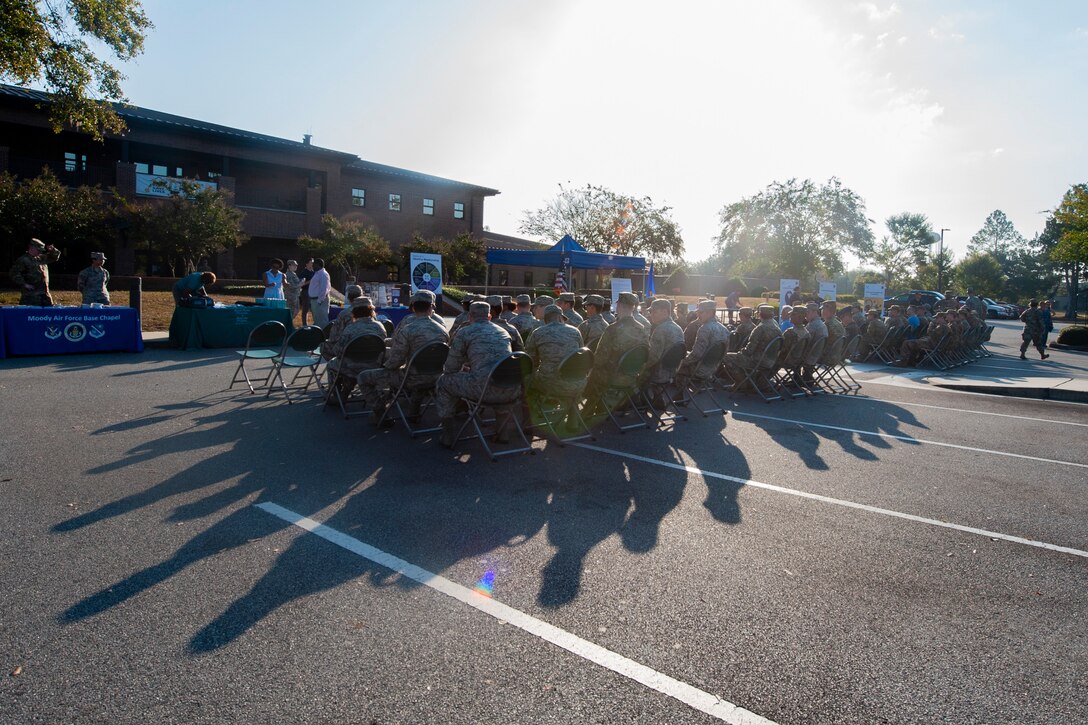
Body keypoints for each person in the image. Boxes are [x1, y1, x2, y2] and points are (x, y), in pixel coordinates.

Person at [358, 289, 450, 425]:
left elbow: (396, 361)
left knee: (363, 377)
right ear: (431, 307)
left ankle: (381, 415)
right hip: (436, 377)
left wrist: (385, 366)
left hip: (411, 379)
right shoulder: (442, 331)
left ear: (413, 307)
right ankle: (413, 412)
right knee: (418, 374)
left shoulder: (407, 329)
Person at [435, 301, 516, 447]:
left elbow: (451, 368)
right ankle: (503, 432)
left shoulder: (465, 332)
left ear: (470, 316)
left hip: (482, 391)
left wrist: (464, 371)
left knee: (444, 382)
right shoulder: (504, 332)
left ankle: (448, 435)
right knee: (498, 378)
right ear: (489, 316)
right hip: (510, 389)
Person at [583, 292, 649, 414]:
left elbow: (600, 359)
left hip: (613, 376)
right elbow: (645, 353)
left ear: (619, 306)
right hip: (632, 376)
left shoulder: (612, 329)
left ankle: (587, 412)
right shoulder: (641, 329)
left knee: (594, 371)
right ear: (633, 307)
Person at [525, 304, 586, 422]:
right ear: (560, 317)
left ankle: (530, 422)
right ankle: (573, 418)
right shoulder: (575, 331)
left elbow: (530, 361)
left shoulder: (538, 332)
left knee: (527, 378)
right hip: (578, 381)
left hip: (551, 383)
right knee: (568, 376)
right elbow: (581, 356)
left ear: (545, 319)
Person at [326, 299, 387, 397]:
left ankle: (334, 395)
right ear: (371, 311)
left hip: (351, 366)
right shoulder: (380, 327)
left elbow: (337, 351)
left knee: (331, 364)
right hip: (374, 365)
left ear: (354, 312)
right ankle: (346, 388)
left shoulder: (350, 329)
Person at [721, 304, 782, 386]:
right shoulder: (777, 329)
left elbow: (749, 351)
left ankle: (743, 383)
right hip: (772, 361)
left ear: (760, 315)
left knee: (726, 357)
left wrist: (740, 353)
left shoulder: (760, 328)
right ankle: (754, 381)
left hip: (758, 361)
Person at [676, 299, 730, 390]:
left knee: (676, 364)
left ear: (710, 313)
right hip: (713, 368)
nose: (698, 315)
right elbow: (724, 352)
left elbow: (696, 355)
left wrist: (682, 362)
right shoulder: (724, 329)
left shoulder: (704, 329)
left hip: (699, 369)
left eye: (701, 312)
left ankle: (679, 396)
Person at [641, 298, 685, 399]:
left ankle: (635, 402)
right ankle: (656, 398)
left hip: (659, 373)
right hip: (673, 371)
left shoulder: (660, 330)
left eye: (654, 311)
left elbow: (653, 357)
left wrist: (640, 368)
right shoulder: (678, 328)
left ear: (665, 312)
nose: (651, 314)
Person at [10, 238, 61, 306]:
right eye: (38, 250)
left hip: (45, 295)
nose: (40, 252)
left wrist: (52, 250)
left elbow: (55, 257)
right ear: (31, 247)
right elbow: (14, 273)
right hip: (31, 296)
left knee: (47, 315)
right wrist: (24, 284)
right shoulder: (23, 260)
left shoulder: (41, 258)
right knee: (30, 315)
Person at [321, 285, 365, 360]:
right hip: (365, 349)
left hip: (348, 349)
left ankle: (337, 366)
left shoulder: (345, 314)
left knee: (324, 346)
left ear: (348, 297)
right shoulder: (371, 313)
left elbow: (334, 336)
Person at [801, 302, 828, 383]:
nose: (805, 315)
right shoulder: (821, 324)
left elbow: (803, 341)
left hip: (810, 356)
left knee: (792, 352)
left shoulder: (812, 325)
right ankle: (803, 377)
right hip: (817, 355)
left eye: (807, 312)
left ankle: (797, 378)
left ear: (814, 312)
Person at [308, 258, 332, 328]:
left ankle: (323, 336)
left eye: (314, 264)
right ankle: (318, 336)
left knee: (322, 321)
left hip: (320, 301)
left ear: (318, 265)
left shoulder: (324, 274)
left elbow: (324, 289)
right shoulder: (317, 273)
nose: (312, 266)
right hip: (314, 300)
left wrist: (319, 301)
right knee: (317, 320)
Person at [298, 258, 316, 325]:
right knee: (305, 309)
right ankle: (304, 325)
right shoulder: (304, 272)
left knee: (314, 309)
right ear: (307, 264)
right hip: (306, 292)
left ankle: (314, 324)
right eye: (311, 262)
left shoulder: (314, 272)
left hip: (313, 293)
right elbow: (301, 284)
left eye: (313, 263)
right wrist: (310, 281)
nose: (312, 264)